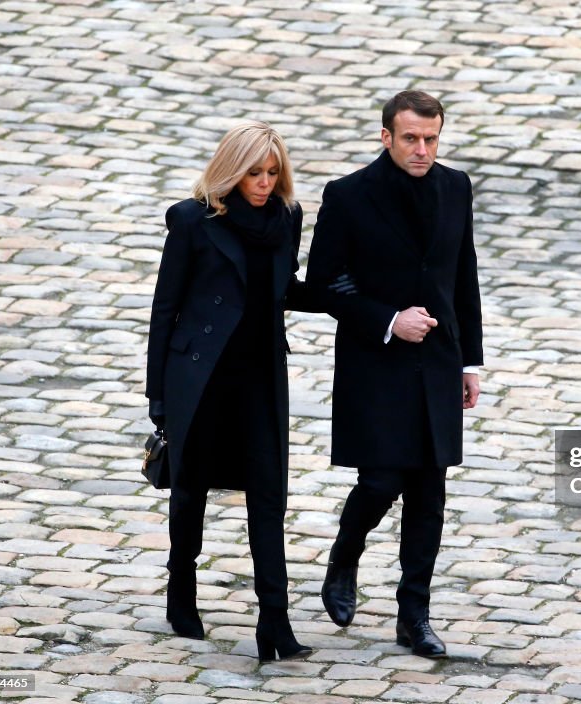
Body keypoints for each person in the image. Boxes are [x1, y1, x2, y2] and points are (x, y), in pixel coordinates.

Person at [307, 90, 483, 658]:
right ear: (387, 136)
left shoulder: (456, 187)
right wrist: (388, 320)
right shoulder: (349, 195)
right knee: (382, 481)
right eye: (411, 138)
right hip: (375, 361)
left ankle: (415, 616)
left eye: (431, 139)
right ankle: (345, 555)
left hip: (437, 360)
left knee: (429, 493)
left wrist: (469, 360)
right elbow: (324, 284)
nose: (422, 149)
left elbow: (464, 277)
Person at [146, 121, 330, 661]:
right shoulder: (191, 220)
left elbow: (285, 290)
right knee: (191, 491)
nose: (264, 183)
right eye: (254, 172)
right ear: (232, 169)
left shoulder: (287, 218)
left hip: (259, 376)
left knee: (269, 496)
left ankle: (276, 619)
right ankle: (182, 593)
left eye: (273, 173)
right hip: (201, 379)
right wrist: (158, 392)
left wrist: (349, 294)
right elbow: (165, 308)